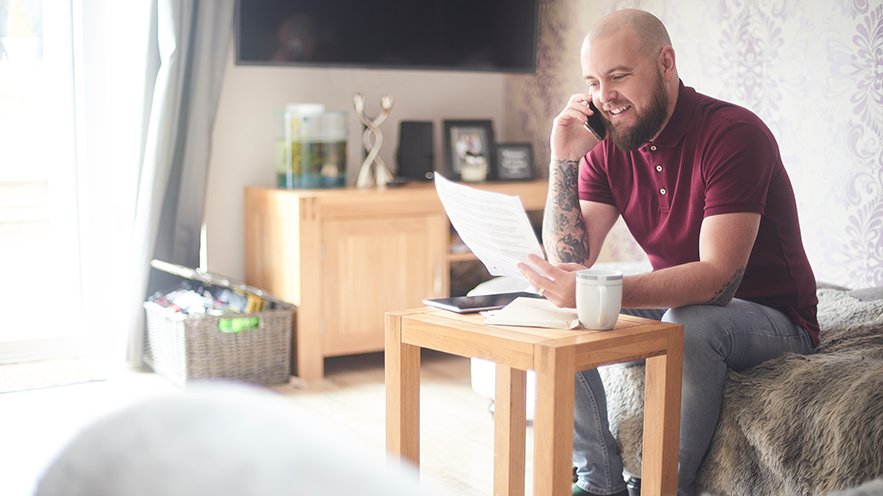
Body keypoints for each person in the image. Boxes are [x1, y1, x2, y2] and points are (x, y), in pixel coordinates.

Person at [517, 9, 819, 496]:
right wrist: (564, 159)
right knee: (557, 310)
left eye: (619, 76)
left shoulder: (734, 135)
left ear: (665, 63)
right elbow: (570, 258)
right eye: (593, 82)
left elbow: (718, 279)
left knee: (688, 321)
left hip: (774, 316)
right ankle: (599, 482)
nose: (604, 96)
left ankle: (662, 486)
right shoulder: (607, 146)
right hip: (685, 304)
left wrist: (597, 291)